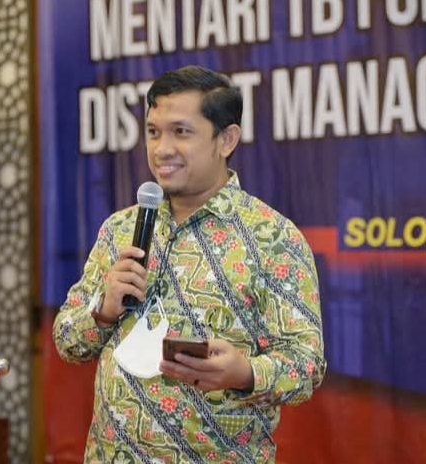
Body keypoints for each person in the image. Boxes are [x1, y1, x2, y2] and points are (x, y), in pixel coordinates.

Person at [53, 65, 326, 464]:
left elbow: (306, 364)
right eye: (153, 132)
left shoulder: (273, 238)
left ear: (226, 139)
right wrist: (103, 311)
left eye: (181, 132)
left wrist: (245, 373)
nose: (162, 149)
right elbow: (67, 341)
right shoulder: (120, 229)